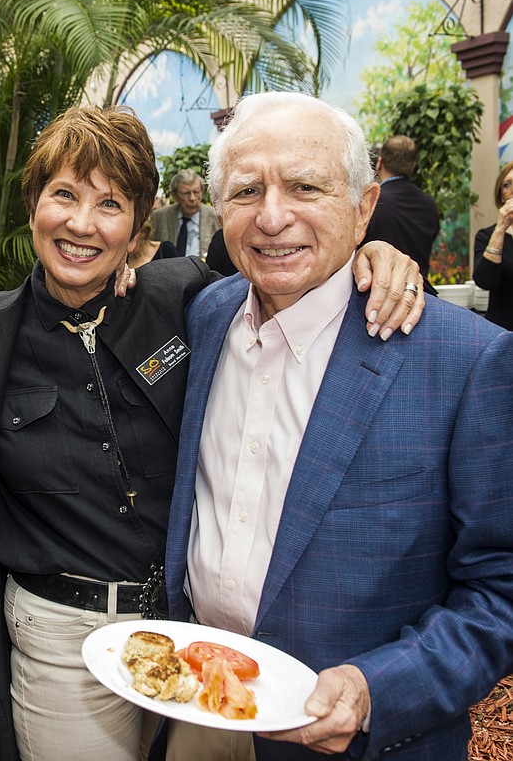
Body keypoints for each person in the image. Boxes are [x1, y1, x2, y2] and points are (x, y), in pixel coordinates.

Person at [0, 103, 425, 761]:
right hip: (61, 638)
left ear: (139, 225)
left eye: (109, 204)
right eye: (63, 195)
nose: (81, 224)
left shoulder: (185, 297)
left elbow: (295, 277)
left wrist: (374, 253)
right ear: (33, 203)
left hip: (187, 630)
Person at [162, 91, 513, 761]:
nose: (272, 216)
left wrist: (375, 688)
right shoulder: (205, 317)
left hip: (355, 742)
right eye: (245, 191)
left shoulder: (464, 361)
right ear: (217, 210)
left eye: (305, 186)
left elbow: (500, 589)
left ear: (365, 207)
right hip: (198, 709)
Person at [362, 135, 440, 280]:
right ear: (412, 166)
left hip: (377, 290)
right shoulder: (429, 205)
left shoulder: (373, 202)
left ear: (379, 162)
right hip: (420, 291)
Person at [473, 161, 513, 329]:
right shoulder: (487, 235)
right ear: (501, 195)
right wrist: (501, 228)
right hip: (503, 332)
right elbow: (485, 281)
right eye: (507, 185)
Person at [152, 169, 220, 257]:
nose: (192, 198)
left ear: (202, 192)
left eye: (196, 192)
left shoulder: (215, 215)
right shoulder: (160, 217)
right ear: (175, 195)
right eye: (186, 193)